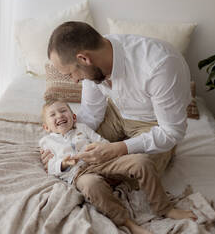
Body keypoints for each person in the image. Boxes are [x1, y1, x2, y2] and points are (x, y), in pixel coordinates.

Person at [40, 21, 197, 226]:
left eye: (71, 74)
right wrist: (59, 144)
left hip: (154, 123)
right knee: (83, 155)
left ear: (84, 59)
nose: (75, 80)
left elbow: (172, 132)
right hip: (116, 112)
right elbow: (90, 114)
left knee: (138, 171)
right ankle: (96, 183)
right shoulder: (94, 65)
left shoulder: (159, 65)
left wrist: (119, 148)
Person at [40, 99, 153, 234]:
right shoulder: (47, 141)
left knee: (133, 162)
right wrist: (64, 164)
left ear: (74, 117)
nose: (59, 116)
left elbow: (103, 143)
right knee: (91, 184)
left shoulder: (82, 128)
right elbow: (51, 167)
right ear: (46, 127)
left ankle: (138, 189)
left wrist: (98, 150)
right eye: (52, 115)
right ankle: (127, 222)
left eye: (63, 111)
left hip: (100, 163)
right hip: (79, 173)